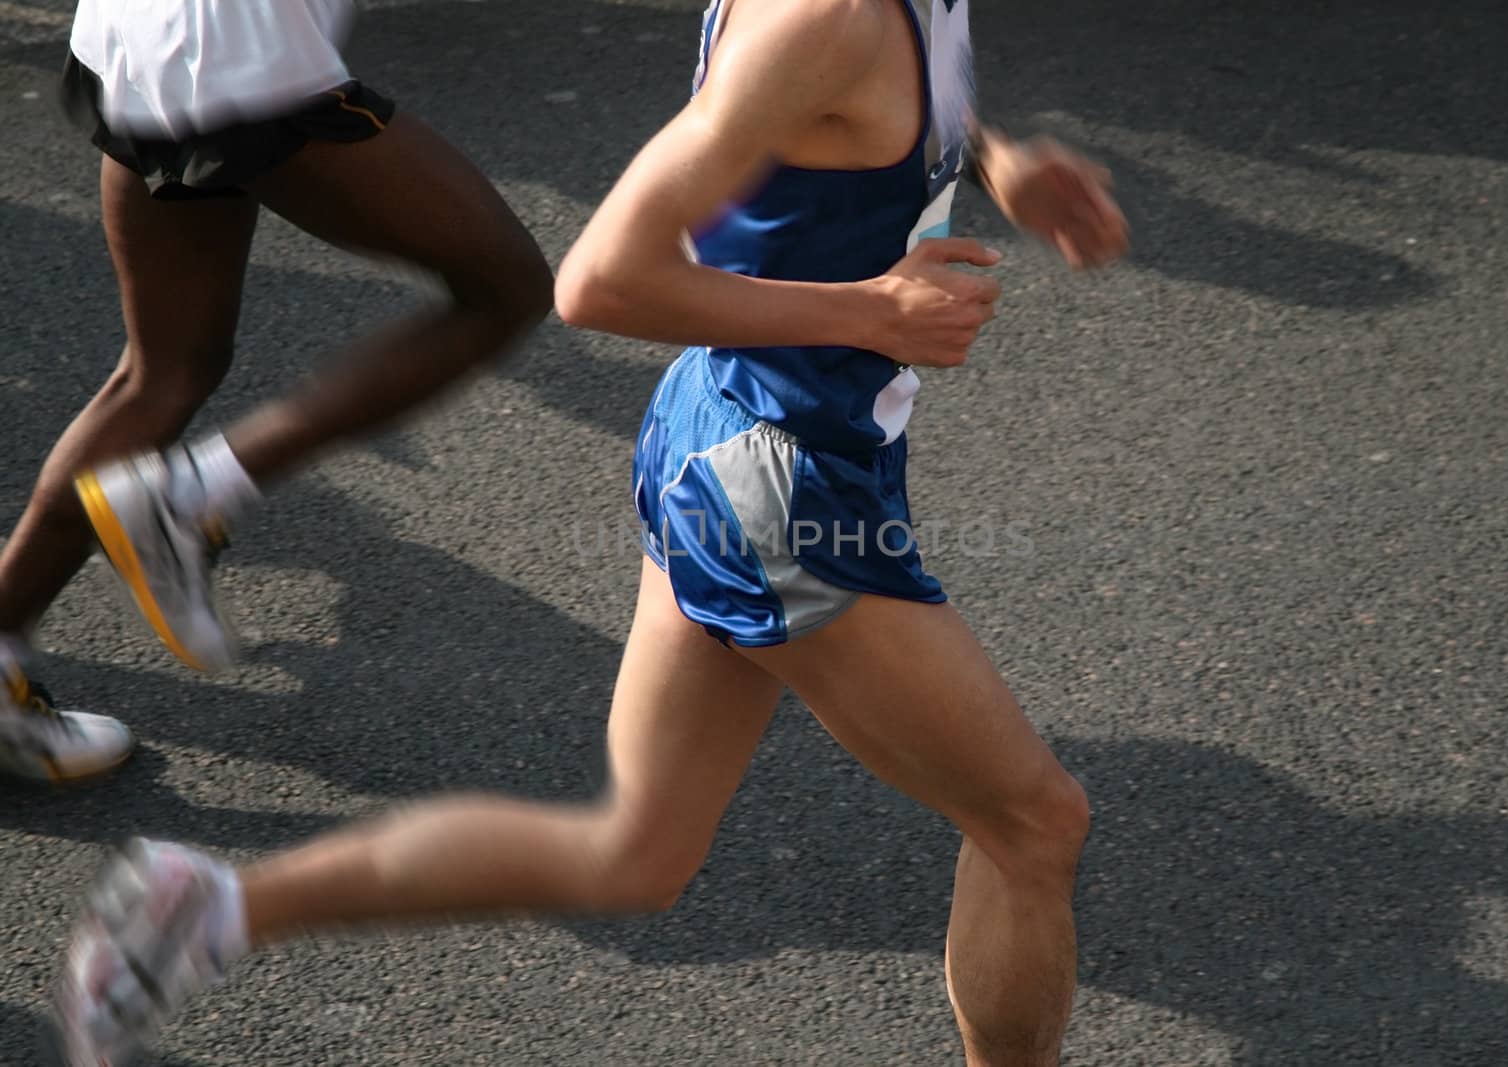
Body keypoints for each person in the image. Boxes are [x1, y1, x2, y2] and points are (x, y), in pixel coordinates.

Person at [54, 0, 1127, 1063]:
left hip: (741, 443)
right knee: (1034, 822)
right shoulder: (826, 19)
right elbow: (601, 278)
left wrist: (990, 160)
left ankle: (212, 907)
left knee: (634, 854)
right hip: (774, 481)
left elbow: (838, 121)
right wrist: (871, 313)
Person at [0, 0, 553, 785]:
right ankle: (186, 502)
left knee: (166, 368)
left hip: (133, 36)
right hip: (237, 52)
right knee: (505, 288)